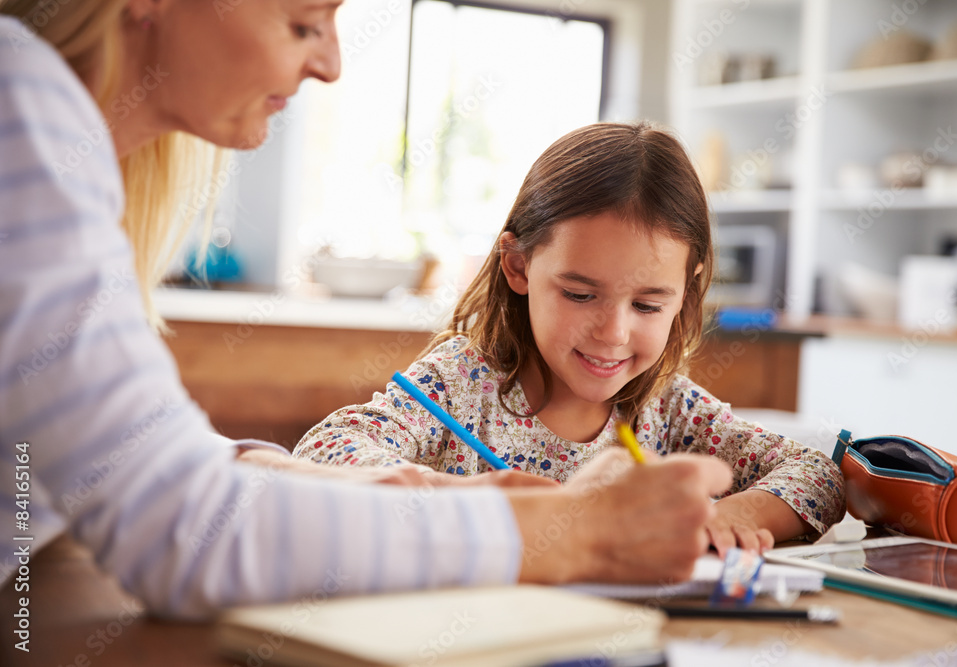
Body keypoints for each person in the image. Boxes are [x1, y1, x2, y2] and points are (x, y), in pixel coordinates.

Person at [0, 0, 733, 620]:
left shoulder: (54, 133)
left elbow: (118, 466)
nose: (330, 65)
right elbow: (180, 530)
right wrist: (572, 531)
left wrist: (381, 486)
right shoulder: (21, 107)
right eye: (304, 21)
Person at [292, 121, 847, 554]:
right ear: (518, 266)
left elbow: (816, 474)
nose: (613, 332)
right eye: (580, 295)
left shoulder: (670, 409)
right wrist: (483, 504)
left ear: (688, 289)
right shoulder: (459, 384)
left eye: (649, 304)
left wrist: (735, 515)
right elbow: (324, 452)